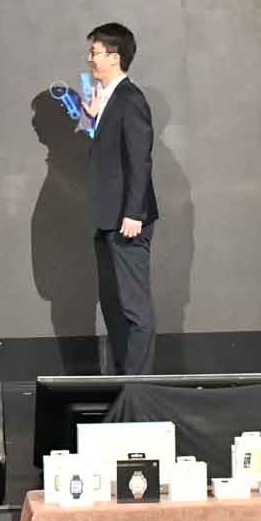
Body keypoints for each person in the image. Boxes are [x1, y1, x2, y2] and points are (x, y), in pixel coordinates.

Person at [83, 23, 158, 375]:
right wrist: (93, 121)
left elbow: (140, 159)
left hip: (127, 221)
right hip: (106, 219)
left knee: (134, 309)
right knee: (113, 306)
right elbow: (108, 156)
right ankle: (123, 383)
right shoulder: (108, 99)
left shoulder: (131, 99)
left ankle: (138, 391)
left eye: (94, 52)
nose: (90, 59)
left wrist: (134, 213)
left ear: (114, 57)